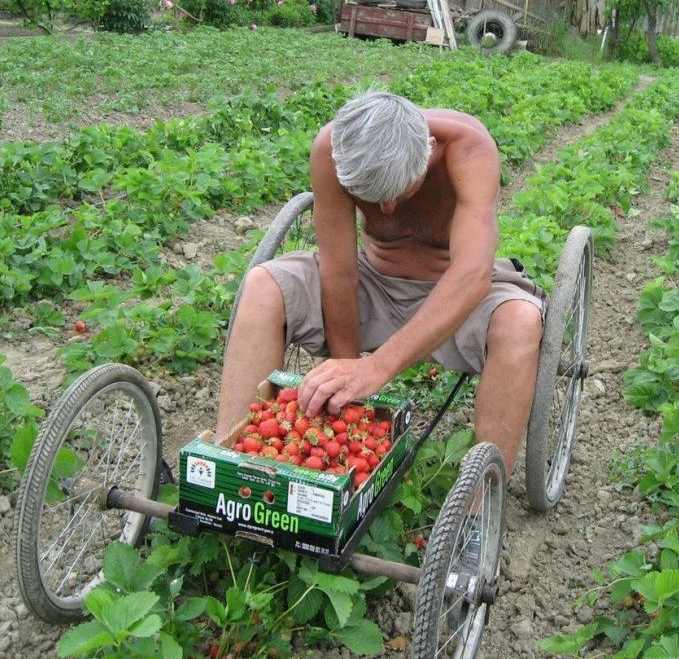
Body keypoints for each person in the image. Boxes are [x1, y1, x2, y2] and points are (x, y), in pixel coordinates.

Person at [216, 91, 545, 472]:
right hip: (372, 281)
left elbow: (472, 276)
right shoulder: (334, 148)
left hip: (452, 291)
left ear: (429, 150)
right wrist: (347, 372)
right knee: (262, 286)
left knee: (520, 322)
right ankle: (232, 462)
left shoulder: (468, 148)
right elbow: (339, 271)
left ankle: (479, 509)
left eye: (401, 192)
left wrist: (377, 368)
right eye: (373, 198)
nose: (387, 209)